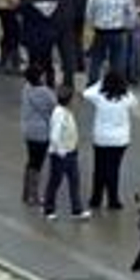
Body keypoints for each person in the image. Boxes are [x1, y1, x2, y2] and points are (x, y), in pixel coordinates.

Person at [83, 69, 137, 210]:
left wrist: (100, 82)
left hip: (101, 138)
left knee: (99, 168)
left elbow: (86, 93)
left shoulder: (99, 96)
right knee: (114, 169)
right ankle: (113, 199)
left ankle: (96, 198)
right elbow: (134, 103)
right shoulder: (126, 98)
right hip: (120, 140)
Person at [43, 85, 90, 221]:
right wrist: (61, 151)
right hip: (62, 154)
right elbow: (54, 136)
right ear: (69, 100)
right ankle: (49, 209)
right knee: (55, 182)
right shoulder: (60, 114)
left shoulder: (67, 112)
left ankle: (76, 209)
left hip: (71, 152)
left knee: (74, 181)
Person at [85, 0, 134, 81]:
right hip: (118, 32)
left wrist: (93, 26)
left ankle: (92, 84)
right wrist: (127, 27)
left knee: (96, 60)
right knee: (117, 61)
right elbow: (132, 15)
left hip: (100, 32)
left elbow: (89, 13)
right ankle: (115, 86)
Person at [21, 0, 65, 82]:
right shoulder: (55, 1)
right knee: (47, 62)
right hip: (48, 36)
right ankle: (50, 84)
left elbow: (20, 10)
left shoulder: (28, 2)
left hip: (32, 36)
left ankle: (33, 86)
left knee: (33, 63)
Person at [19, 64, 57, 206]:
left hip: (28, 129)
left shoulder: (26, 89)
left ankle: (25, 192)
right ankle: (34, 195)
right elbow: (54, 108)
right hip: (41, 132)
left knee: (31, 161)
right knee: (37, 164)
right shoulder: (46, 93)